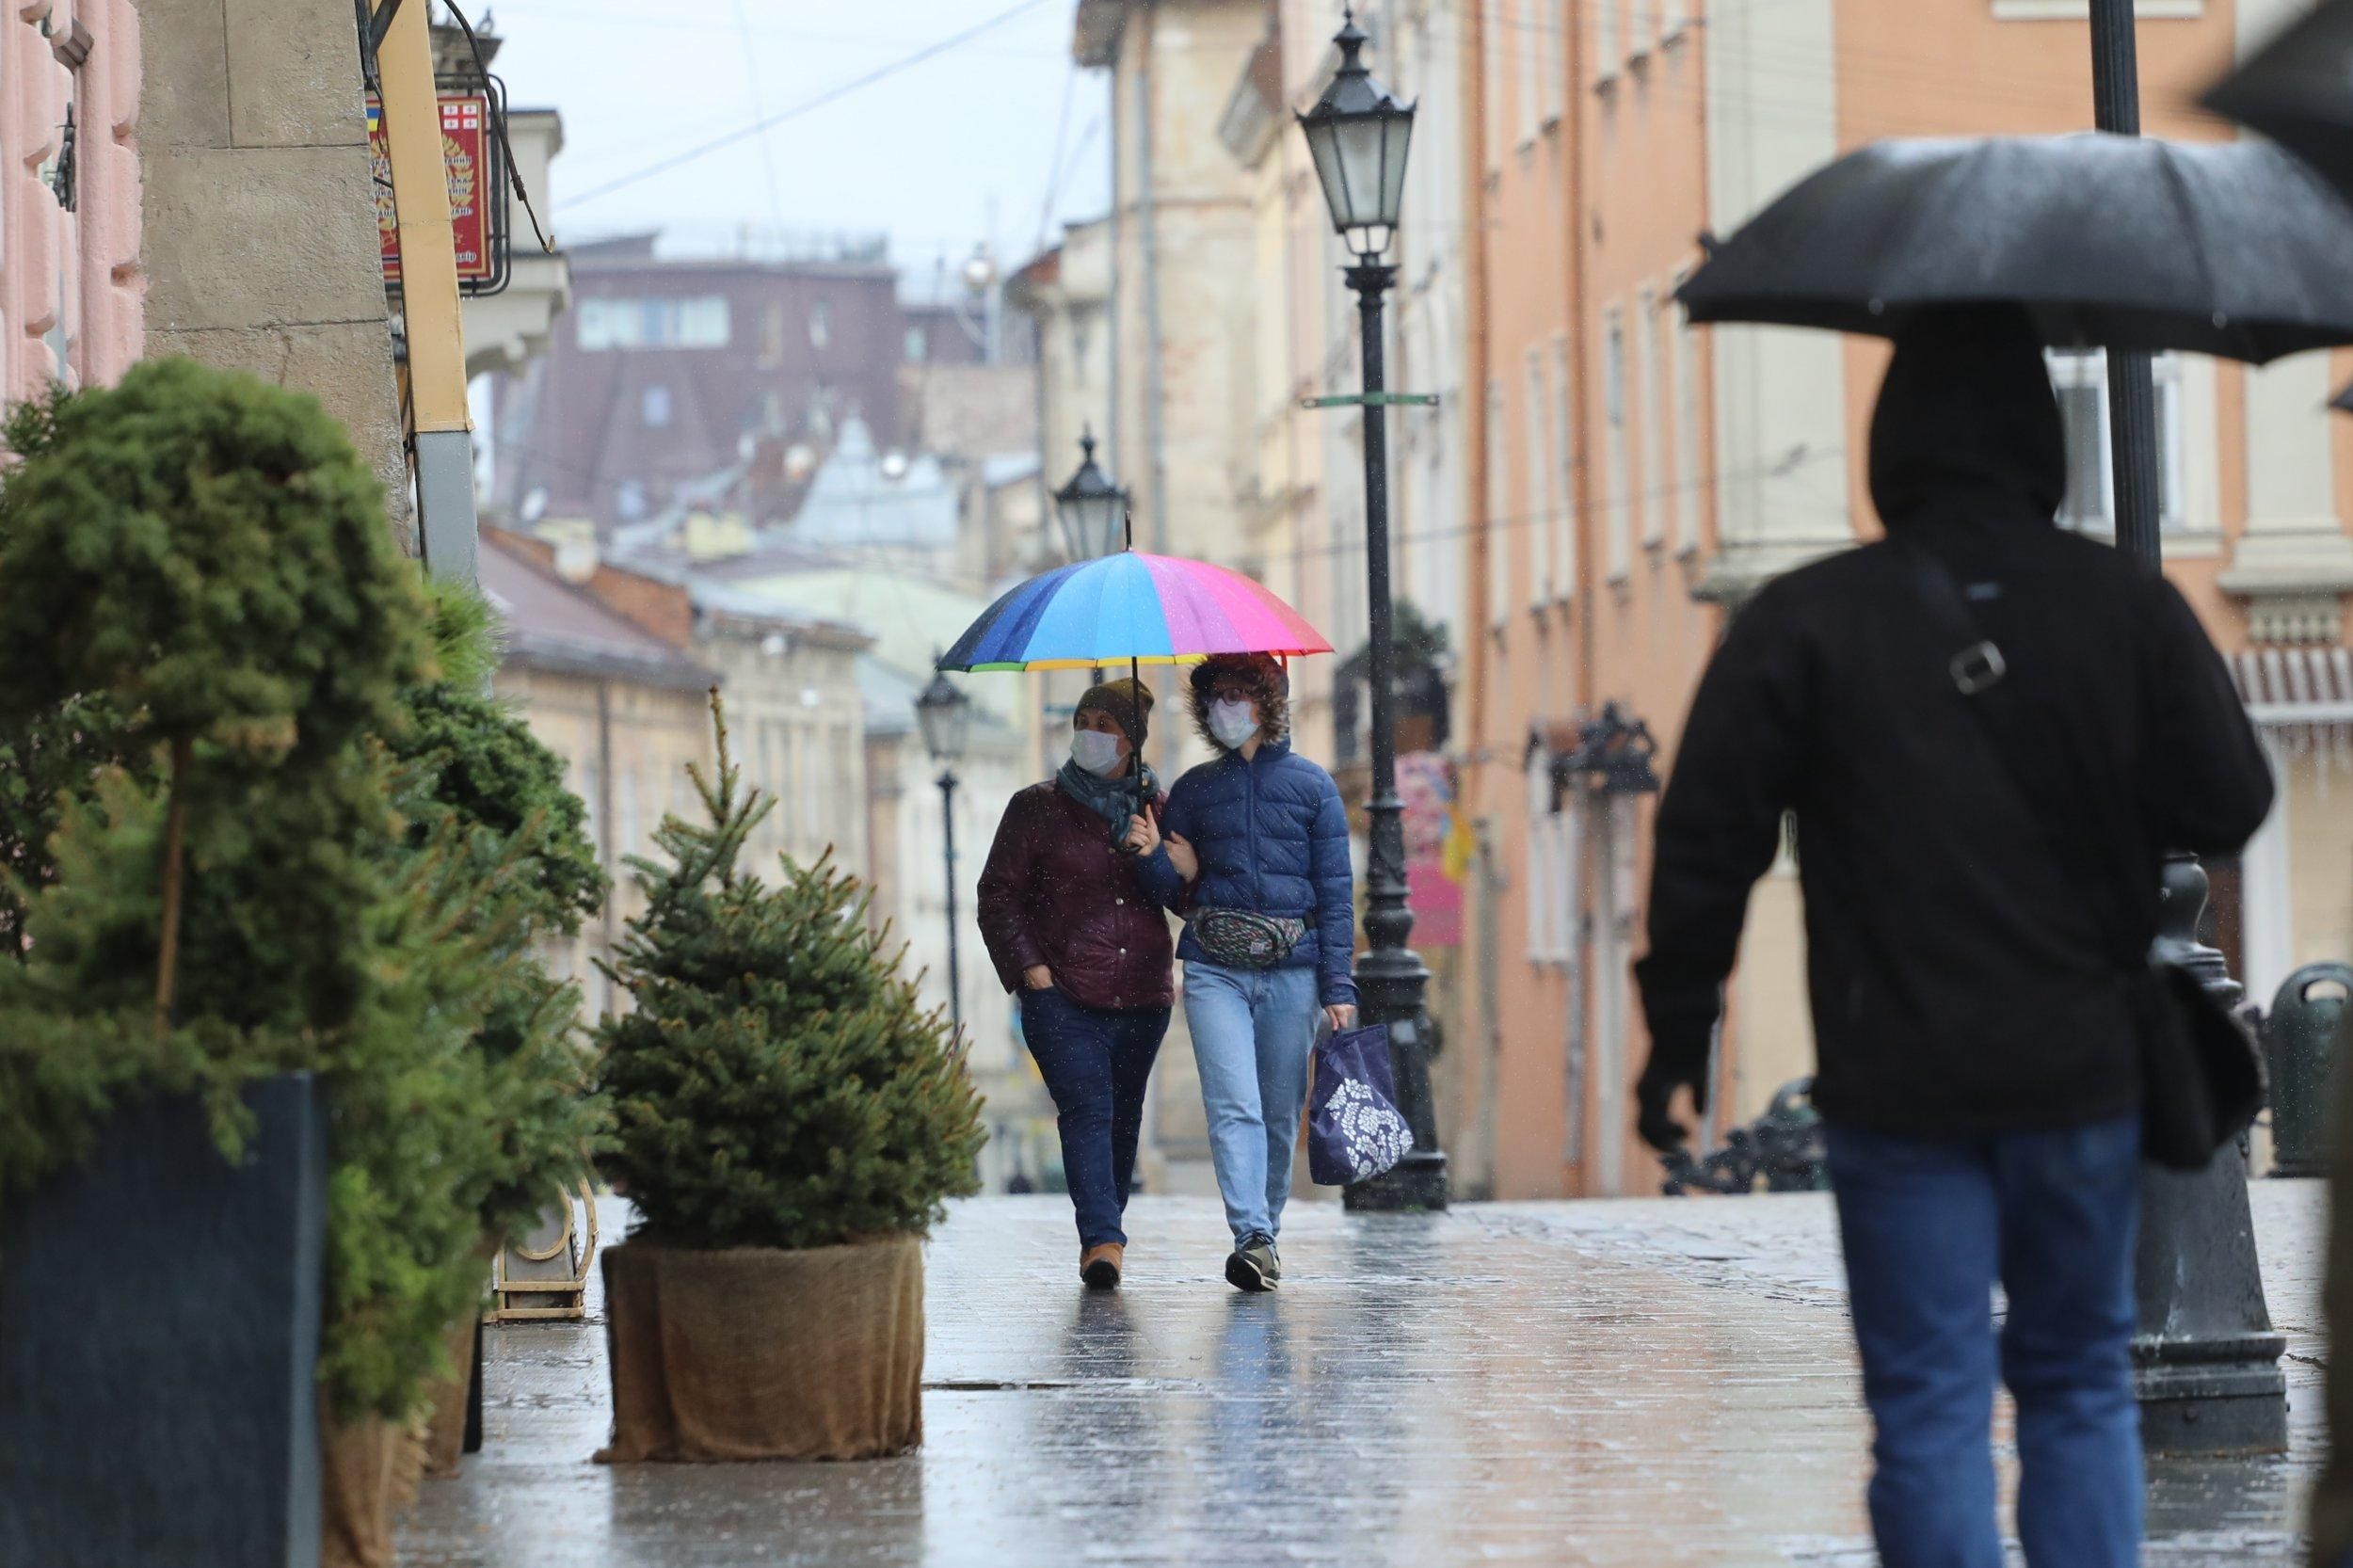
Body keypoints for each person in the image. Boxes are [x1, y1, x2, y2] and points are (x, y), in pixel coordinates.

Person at [1632, 305, 2273, 1568]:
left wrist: (1677, 1028)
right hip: (2082, 1069)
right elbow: (2234, 800)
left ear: (1891, 444)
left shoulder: (1804, 622)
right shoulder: (2125, 608)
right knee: (2079, 1382)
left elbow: (1708, 839)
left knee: (1926, 1405)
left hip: (1897, 1075)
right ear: (2043, 437)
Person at [1140, 653, 1356, 1293]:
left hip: (1293, 972)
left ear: (1268, 700)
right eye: (1215, 697)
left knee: (1279, 1111)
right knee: (1232, 1104)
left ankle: (1268, 1232)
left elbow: (1335, 893)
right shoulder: (1194, 790)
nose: (1225, 707)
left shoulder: (1314, 788)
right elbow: (1171, 892)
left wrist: (1338, 988)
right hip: (1214, 969)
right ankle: (1251, 1235)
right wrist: (1155, 857)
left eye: (1238, 693)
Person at [976, 678, 1176, 1291]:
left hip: (1142, 991)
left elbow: (1185, 896)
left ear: (1131, 740)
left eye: (1106, 724)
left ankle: (1105, 1226)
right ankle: (1102, 1241)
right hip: (1062, 993)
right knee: (1086, 1108)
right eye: (1084, 719)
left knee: (1123, 1119)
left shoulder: (1159, 809)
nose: (1090, 732)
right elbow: (997, 895)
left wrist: (1153, 855)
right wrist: (1029, 970)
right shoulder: (1035, 806)